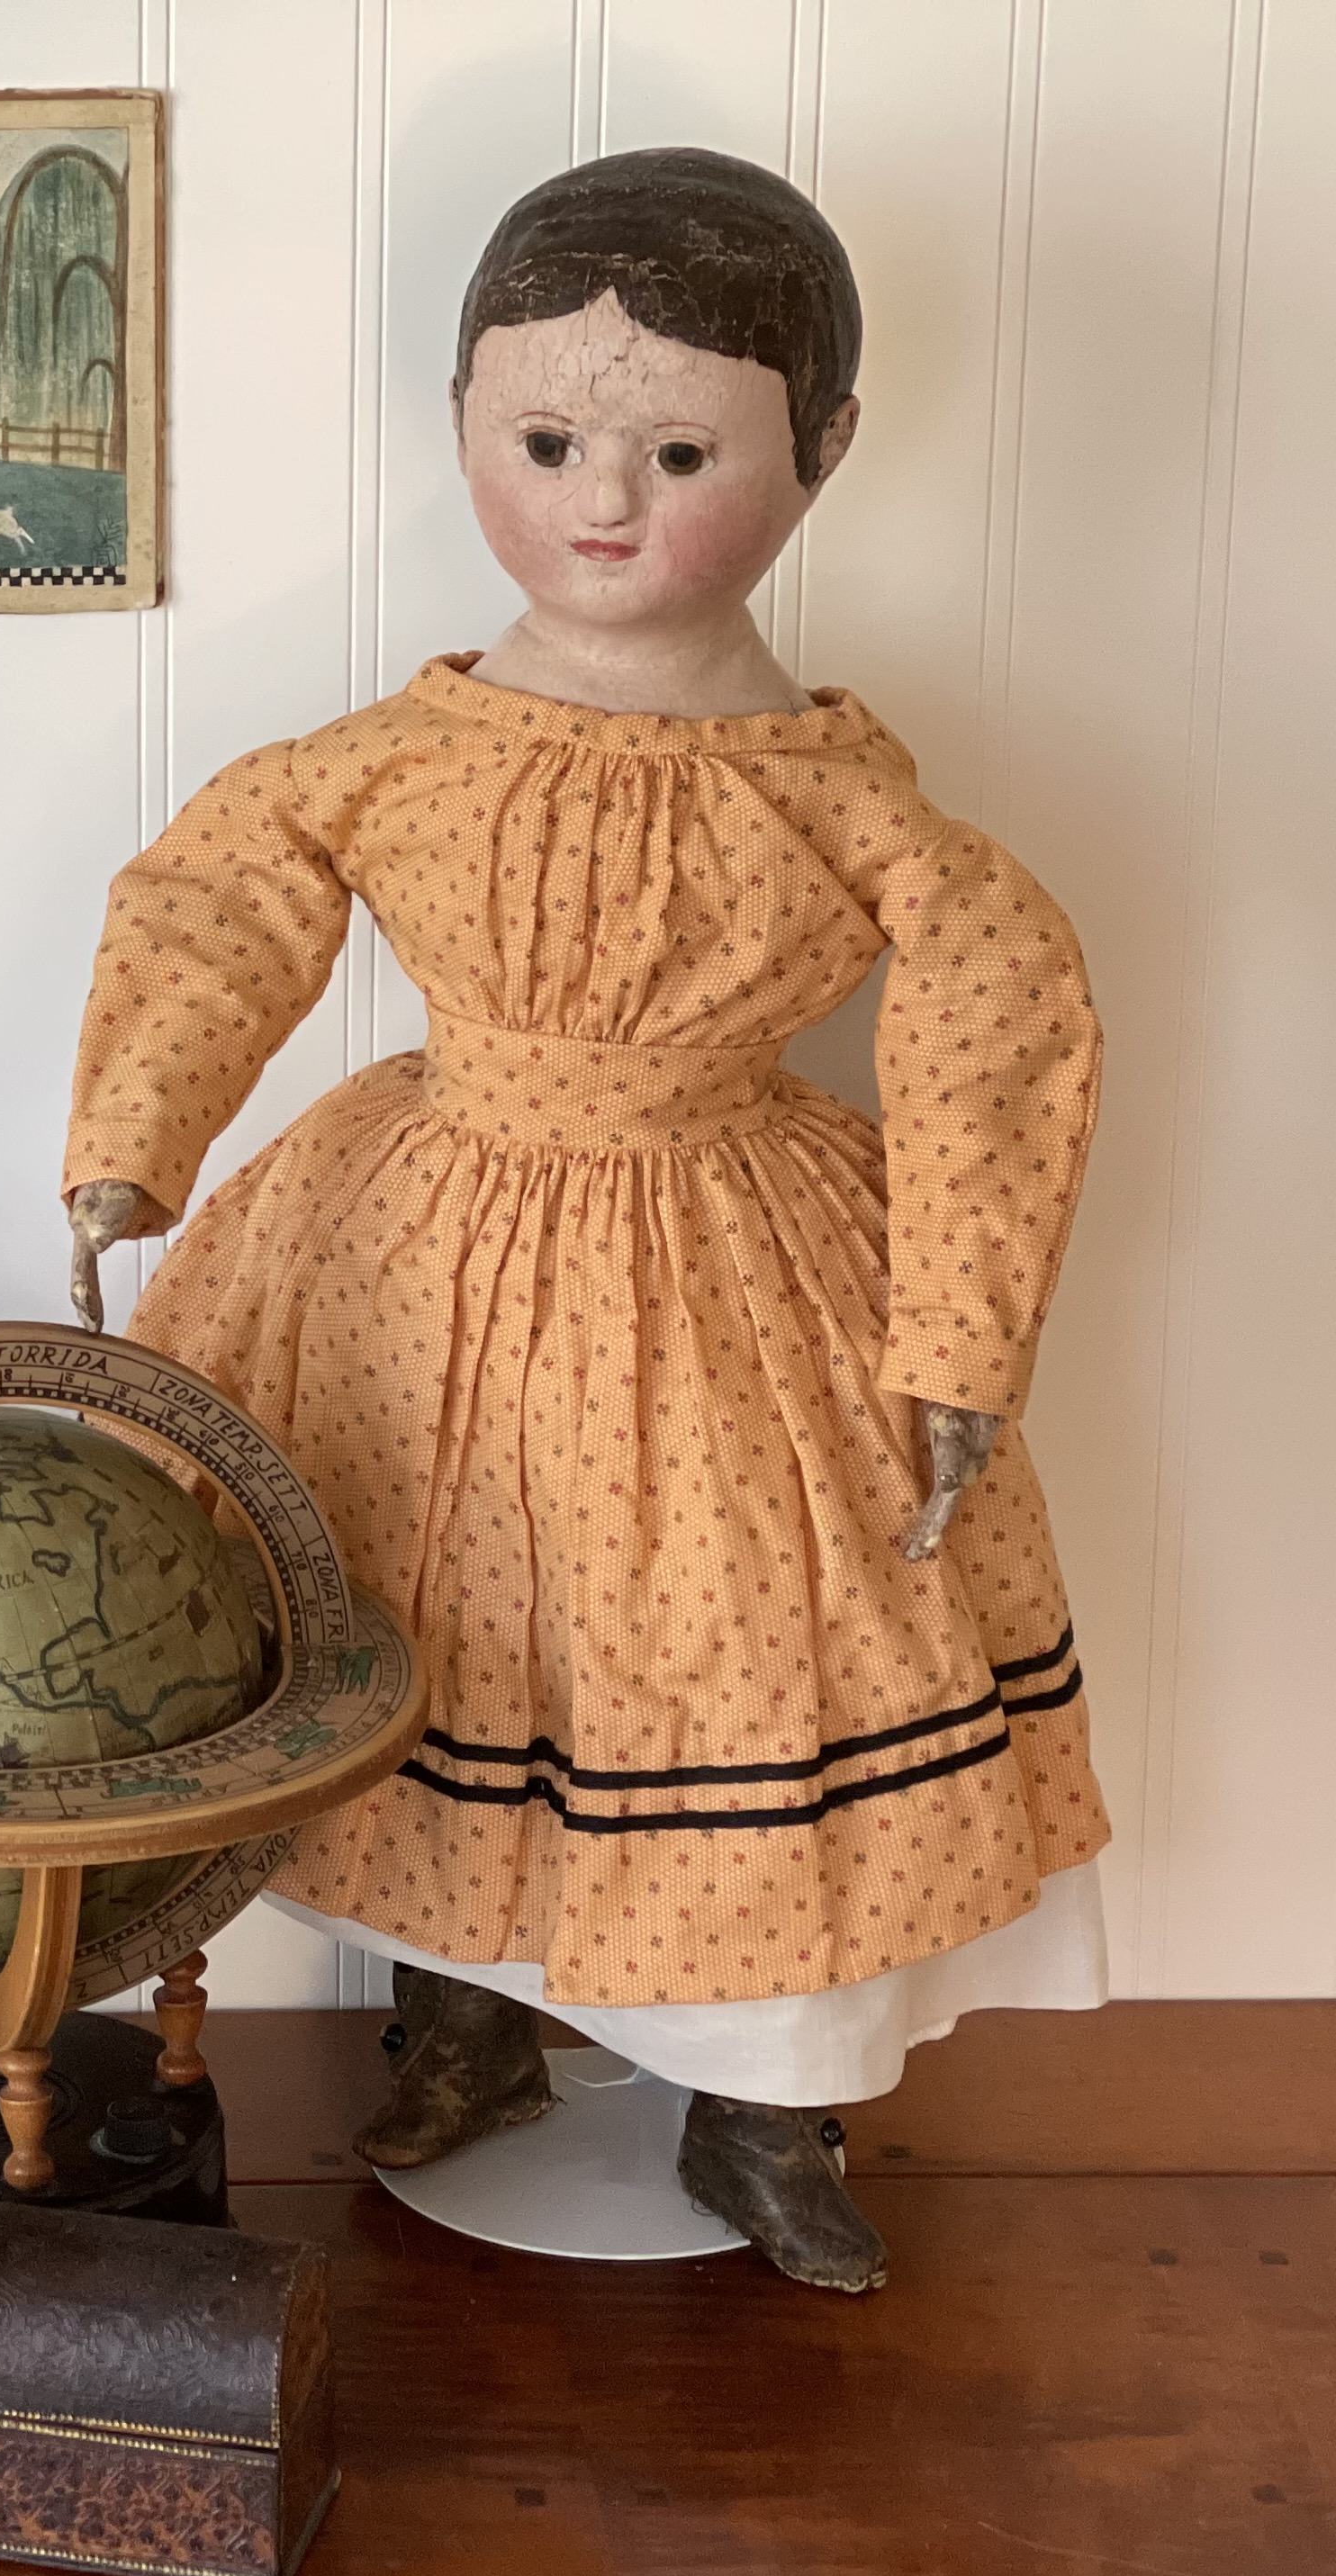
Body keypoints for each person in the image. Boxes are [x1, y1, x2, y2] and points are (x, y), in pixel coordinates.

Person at [62, 149, 1106, 2292]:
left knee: (742, 1648)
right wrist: (131, 1140)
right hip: (406, 1257)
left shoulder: (834, 790)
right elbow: (225, 892)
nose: (602, 500)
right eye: (544, 442)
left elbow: (997, 1023)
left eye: (682, 452)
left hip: (731, 1271)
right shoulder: (408, 749)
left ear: (822, 450)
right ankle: (462, 2019)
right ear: (463, 419)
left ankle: (769, 2100)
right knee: (419, 1608)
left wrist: (957, 1336)